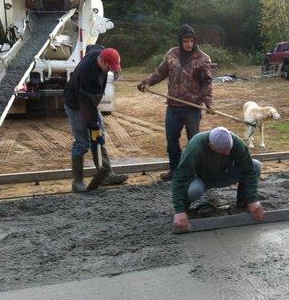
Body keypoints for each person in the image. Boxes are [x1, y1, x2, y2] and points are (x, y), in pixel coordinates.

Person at [137, 24, 214, 181]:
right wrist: (147, 82)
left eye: (191, 41)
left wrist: (209, 102)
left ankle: (194, 172)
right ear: (181, 41)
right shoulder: (171, 54)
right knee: (172, 139)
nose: (189, 44)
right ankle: (175, 169)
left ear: (195, 41)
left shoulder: (202, 58)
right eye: (186, 41)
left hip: (192, 108)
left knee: (194, 142)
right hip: (173, 107)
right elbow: (160, 73)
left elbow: (207, 83)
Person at [171, 126, 264, 232]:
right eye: (224, 152)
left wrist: (253, 200)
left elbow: (249, 172)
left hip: (224, 175)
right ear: (211, 146)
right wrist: (179, 210)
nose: (228, 154)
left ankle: (244, 202)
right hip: (202, 179)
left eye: (229, 150)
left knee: (255, 165)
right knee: (193, 190)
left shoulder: (237, 143)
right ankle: (185, 208)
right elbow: (180, 178)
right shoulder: (196, 146)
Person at [64, 47, 128, 192]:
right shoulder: (89, 75)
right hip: (76, 104)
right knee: (82, 142)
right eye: (109, 68)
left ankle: (106, 173)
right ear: (102, 60)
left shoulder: (98, 52)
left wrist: (96, 131)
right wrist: (94, 127)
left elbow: (91, 47)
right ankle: (77, 182)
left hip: (89, 102)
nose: (110, 71)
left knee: (99, 137)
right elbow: (86, 106)